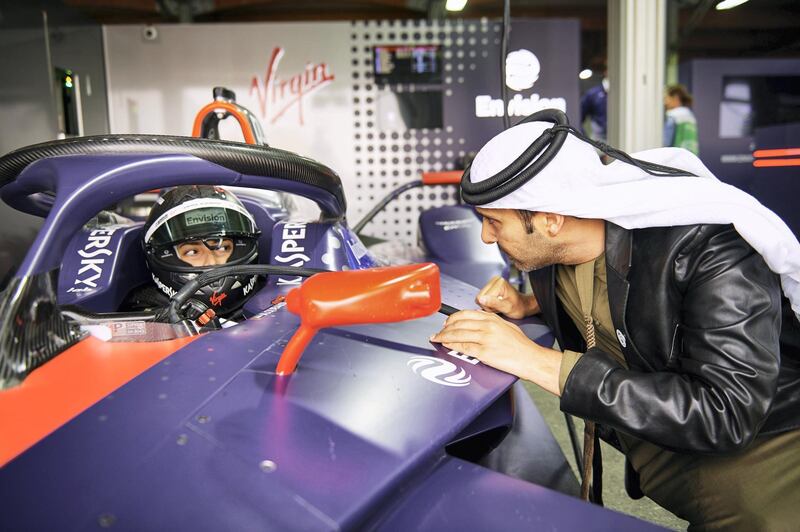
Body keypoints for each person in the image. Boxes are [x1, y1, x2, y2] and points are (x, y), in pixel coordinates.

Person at [431, 110, 800, 530]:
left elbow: (726, 412)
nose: (485, 237)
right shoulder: (550, 254)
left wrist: (535, 361)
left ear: (551, 218)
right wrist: (529, 304)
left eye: (494, 222)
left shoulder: (709, 248)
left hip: (765, 454)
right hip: (662, 446)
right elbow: (613, 295)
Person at [124, 185, 261, 321]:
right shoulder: (139, 319)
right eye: (193, 251)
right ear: (166, 255)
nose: (211, 262)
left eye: (222, 248)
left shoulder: (274, 297)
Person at [663, 84, 699, 155]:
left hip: (676, 160)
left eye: (666, 98)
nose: (665, 102)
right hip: (691, 158)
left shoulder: (673, 116)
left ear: (675, 97)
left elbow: (666, 143)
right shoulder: (690, 116)